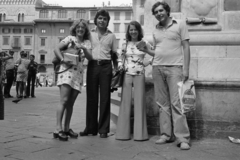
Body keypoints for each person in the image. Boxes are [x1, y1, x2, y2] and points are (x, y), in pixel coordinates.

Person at [139, 1, 191, 150]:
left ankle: (182, 138)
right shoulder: (156, 30)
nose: (158, 14)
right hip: (157, 67)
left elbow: (186, 47)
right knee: (162, 104)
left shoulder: (180, 24)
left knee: (177, 104)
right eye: (155, 12)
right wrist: (146, 50)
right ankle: (166, 135)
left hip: (176, 68)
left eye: (161, 11)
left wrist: (186, 69)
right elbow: (157, 52)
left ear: (167, 11)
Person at [79, 9, 118, 138]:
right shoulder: (89, 34)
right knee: (91, 97)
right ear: (96, 20)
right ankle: (90, 128)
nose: (102, 21)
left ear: (108, 21)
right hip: (92, 65)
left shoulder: (111, 36)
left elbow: (114, 54)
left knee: (105, 98)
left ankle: (103, 130)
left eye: (105, 19)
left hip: (106, 66)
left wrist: (115, 69)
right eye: (100, 18)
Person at [53, 19, 92, 141]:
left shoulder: (87, 42)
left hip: (78, 74)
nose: (80, 29)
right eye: (78, 27)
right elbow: (56, 49)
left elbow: (90, 57)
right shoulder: (69, 38)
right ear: (75, 29)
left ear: (85, 30)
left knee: (70, 103)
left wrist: (84, 48)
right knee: (63, 100)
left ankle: (66, 128)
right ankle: (57, 129)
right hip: (67, 71)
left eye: (83, 28)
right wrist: (62, 59)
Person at [115, 21, 152, 141]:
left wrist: (146, 63)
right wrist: (120, 65)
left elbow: (153, 55)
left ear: (139, 30)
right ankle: (122, 134)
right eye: (131, 29)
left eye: (135, 29)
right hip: (126, 74)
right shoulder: (125, 44)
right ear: (128, 31)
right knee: (125, 103)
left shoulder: (144, 43)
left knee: (139, 103)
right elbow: (120, 58)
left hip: (140, 74)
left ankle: (140, 135)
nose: (133, 31)